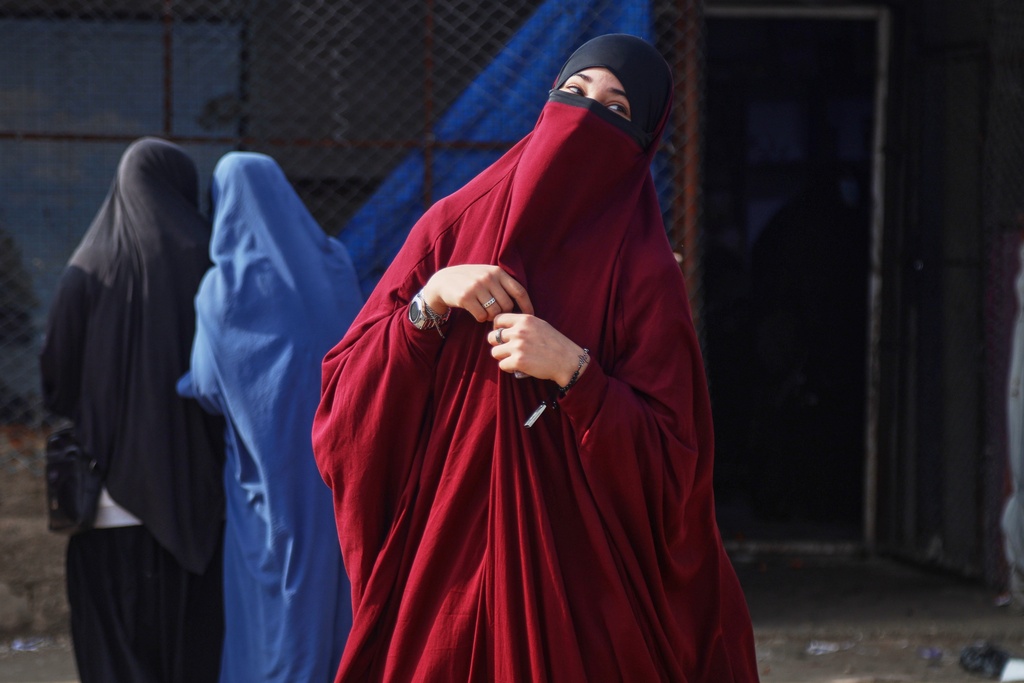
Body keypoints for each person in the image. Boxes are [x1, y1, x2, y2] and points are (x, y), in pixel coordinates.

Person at [313, 34, 760, 681]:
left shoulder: (644, 275)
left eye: (616, 109)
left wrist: (577, 376)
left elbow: (675, 472)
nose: (587, 119)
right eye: (574, 94)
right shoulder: (452, 227)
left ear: (641, 144)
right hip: (447, 578)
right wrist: (428, 305)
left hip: (579, 594)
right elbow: (343, 405)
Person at [39, 137, 226, 683]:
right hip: (196, 503)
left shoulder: (87, 267)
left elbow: (55, 378)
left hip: (104, 505)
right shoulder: (211, 257)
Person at [177, 152, 360, 682]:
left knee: (271, 609)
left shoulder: (223, 290)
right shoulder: (334, 264)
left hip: (266, 482)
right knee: (335, 600)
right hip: (337, 474)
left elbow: (208, 386)